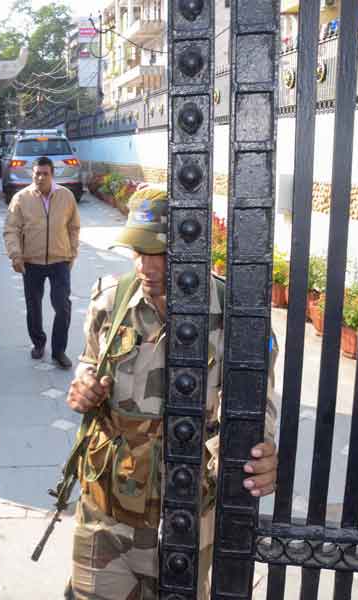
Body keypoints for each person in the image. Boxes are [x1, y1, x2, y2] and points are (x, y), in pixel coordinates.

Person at [65, 186, 279, 599]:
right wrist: (84, 387)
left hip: (186, 514)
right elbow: (88, 361)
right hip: (107, 509)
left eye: (160, 252)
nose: (147, 266)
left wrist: (262, 447)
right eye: (138, 251)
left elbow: (258, 403)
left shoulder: (234, 315)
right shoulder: (110, 299)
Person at [3, 156, 80, 368]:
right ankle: (38, 342)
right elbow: (11, 229)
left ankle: (59, 351)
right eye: (37, 173)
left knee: (62, 306)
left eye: (45, 173)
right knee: (33, 306)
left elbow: (74, 227)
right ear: (32, 174)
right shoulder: (21, 198)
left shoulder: (66, 196)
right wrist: (15, 255)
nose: (40, 177)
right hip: (31, 262)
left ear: (52, 174)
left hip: (60, 261)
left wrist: (72, 253)